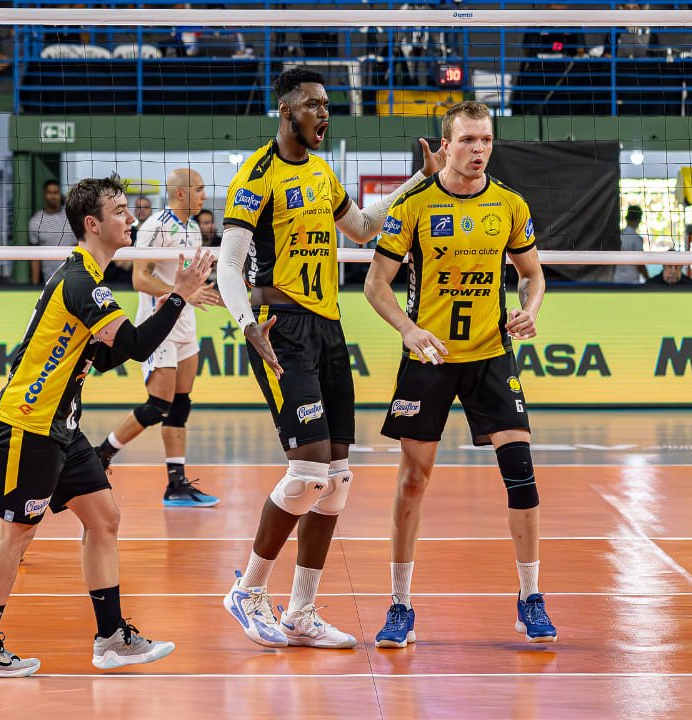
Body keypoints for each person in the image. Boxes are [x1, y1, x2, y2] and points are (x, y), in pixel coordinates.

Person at [216, 68, 443, 650]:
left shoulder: (320, 172)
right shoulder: (256, 176)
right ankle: (248, 590)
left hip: (329, 328)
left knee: (338, 479)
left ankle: (300, 612)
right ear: (286, 108)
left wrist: (421, 180)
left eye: (327, 105)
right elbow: (228, 264)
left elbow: (365, 230)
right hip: (282, 327)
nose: (324, 114)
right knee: (309, 470)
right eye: (314, 105)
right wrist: (246, 326)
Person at [0, 173, 212, 678]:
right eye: (119, 211)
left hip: (61, 425)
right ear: (92, 224)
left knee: (104, 518)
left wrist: (156, 313)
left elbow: (104, 356)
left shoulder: (87, 281)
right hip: (27, 422)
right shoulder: (80, 281)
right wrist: (179, 295)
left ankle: (112, 639)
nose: (131, 217)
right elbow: (137, 346)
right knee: (15, 538)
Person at [365, 100, 555, 649]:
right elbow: (376, 284)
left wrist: (530, 309)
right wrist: (407, 329)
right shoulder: (416, 205)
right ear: (444, 145)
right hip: (431, 358)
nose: (479, 150)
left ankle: (530, 597)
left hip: (492, 354)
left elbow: (533, 275)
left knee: (521, 471)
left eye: (487, 140)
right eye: (468, 140)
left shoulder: (510, 205)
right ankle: (400, 604)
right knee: (414, 479)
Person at [96, 168, 222, 507]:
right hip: (159, 327)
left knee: (180, 406)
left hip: (186, 327)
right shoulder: (154, 227)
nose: (204, 196)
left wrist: (211, 295)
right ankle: (102, 453)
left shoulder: (194, 229)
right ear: (180, 193)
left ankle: (176, 484)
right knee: (157, 406)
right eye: (199, 189)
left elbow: (192, 284)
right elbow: (140, 279)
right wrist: (181, 293)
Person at [28, 179, 73, 285]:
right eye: (50, 192)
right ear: (44, 195)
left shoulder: (71, 216)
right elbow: (35, 257)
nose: (53, 196)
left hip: (73, 277)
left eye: (56, 192)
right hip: (50, 280)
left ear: (59, 195)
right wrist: (35, 284)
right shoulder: (35, 221)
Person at [613, 205, 646, 284]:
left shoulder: (617, 236)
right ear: (639, 219)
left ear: (626, 218)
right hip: (632, 281)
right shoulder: (637, 239)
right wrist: (649, 279)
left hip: (616, 279)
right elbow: (640, 264)